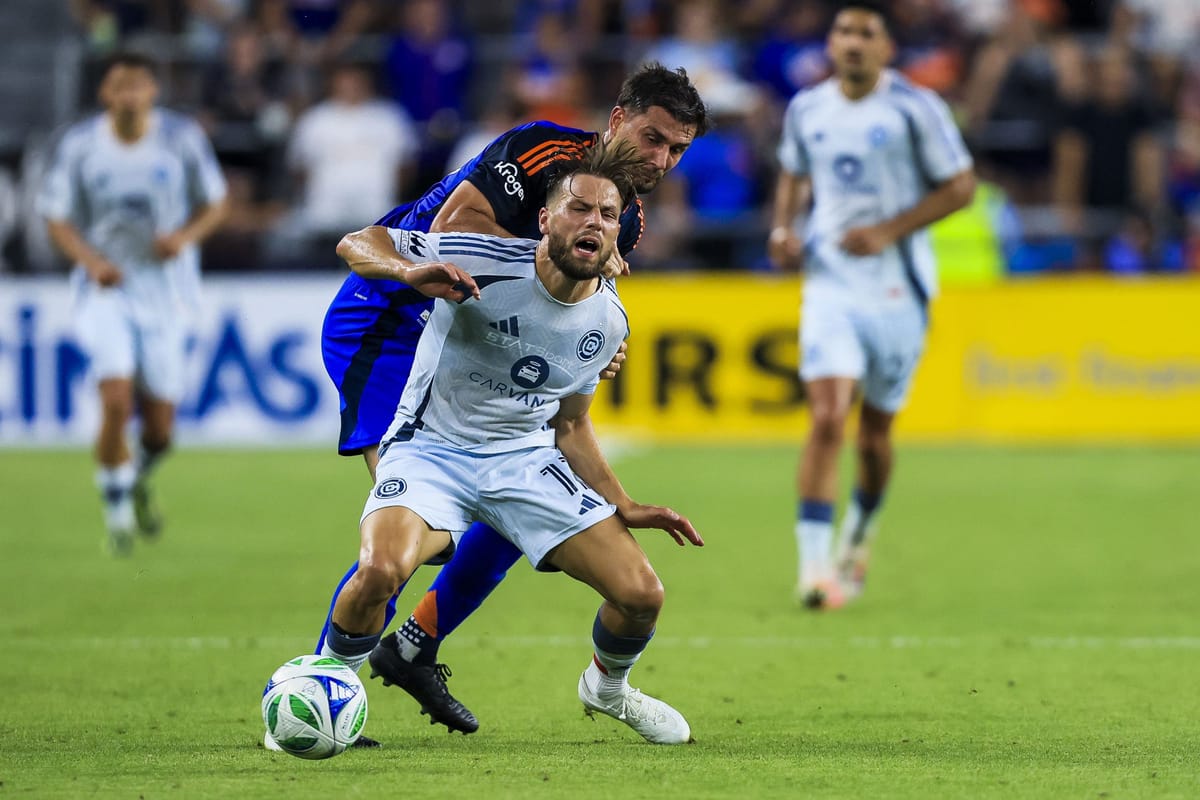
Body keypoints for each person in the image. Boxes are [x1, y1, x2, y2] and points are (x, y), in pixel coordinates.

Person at [316, 62, 709, 737]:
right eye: (653, 138)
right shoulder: (544, 149)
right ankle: (323, 682)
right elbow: (455, 224)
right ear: (618, 118)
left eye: (676, 150)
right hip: (390, 315)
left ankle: (413, 647)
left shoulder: (629, 217)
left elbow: (571, 308)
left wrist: (585, 330)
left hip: (477, 336)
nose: (662, 159)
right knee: (415, 537)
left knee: (509, 489)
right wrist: (553, 273)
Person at [766, 1, 975, 609]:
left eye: (866, 33)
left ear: (887, 48)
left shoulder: (916, 107)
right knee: (828, 416)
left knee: (875, 434)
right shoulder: (808, 108)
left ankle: (859, 535)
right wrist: (783, 229)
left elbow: (961, 186)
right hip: (831, 281)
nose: (852, 42)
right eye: (843, 31)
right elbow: (791, 174)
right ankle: (813, 570)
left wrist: (889, 230)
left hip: (898, 287)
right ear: (831, 43)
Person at [37, 52, 228, 556]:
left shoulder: (180, 140)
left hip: (166, 292)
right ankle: (118, 516)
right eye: (118, 86)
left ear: (152, 92)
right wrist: (90, 261)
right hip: (107, 289)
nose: (128, 95)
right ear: (105, 93)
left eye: (137, 86)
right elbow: (56, 217)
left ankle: (136, 476)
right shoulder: (81, 146)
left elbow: (217, 202)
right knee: (116, 399)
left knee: (161, 431)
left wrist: (184, 238)